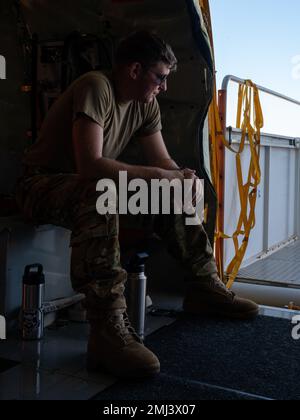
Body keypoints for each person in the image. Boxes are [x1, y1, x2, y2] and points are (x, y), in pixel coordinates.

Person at [16, 31, 259, 379]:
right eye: (158, 78)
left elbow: (162, 161)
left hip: (86, 187)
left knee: (171, 191)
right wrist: (163, 176)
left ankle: (204, 287)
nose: (163, 87)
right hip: (40, 184)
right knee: (100, 191)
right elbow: (91, 165)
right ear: (133, 70)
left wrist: (182, 178)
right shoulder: (95, 87)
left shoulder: (146, 104)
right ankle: (106, 329)